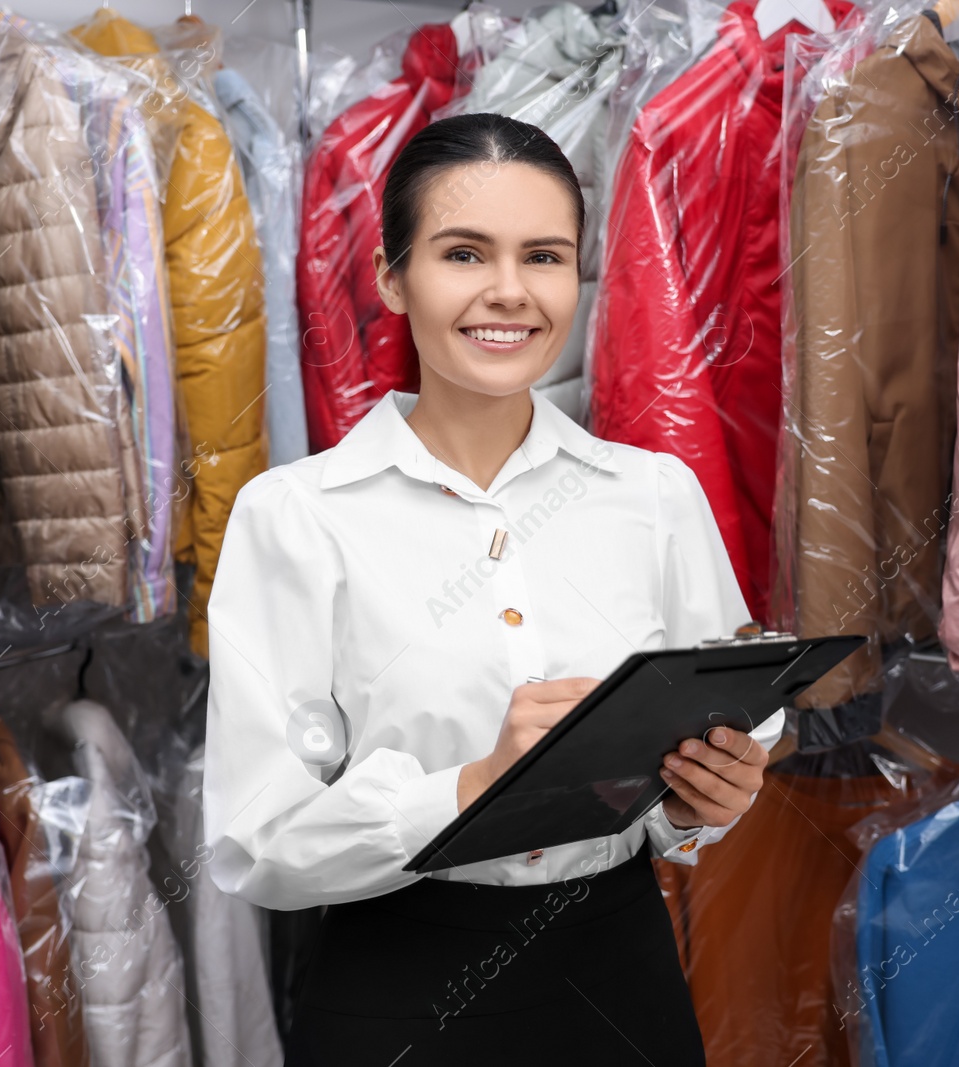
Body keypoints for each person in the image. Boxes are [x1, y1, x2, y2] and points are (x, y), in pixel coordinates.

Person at [202, 112, 782, 1065]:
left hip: (621, 973)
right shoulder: (296, 516)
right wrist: (473, 786)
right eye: (465, 253)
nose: (509, 292)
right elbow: (256, 840)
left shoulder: (654, 495)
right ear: (393, 277)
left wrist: (697, 799)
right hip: (397, 988)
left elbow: (718, 734)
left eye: (545, 256)